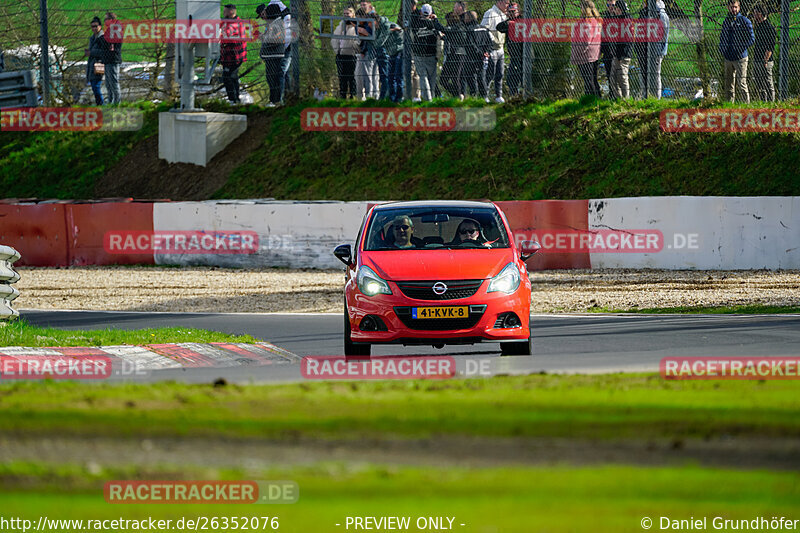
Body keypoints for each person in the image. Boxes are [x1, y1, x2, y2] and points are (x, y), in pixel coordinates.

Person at [719, 0, 754, 103]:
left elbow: (751, 39)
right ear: (728, 7)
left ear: (739, 7)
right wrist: (722, 50)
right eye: (731, 7)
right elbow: (723, 37)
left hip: (740, 58)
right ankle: (729, 105)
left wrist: (740, 49)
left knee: (742, 83)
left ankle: (746, 106)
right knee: (729, 83)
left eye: (735, 7)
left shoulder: (745, 21)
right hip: (728, 57)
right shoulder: (726, 21)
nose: (733, 9)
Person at [257, 2, 291, 106]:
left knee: (274, 79)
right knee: (271, 78)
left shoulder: (277, 23)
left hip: (275, 55)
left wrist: (263, 38)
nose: (265, 15)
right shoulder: (273, 23)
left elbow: (278, 38)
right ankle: (273, 100)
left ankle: (275, 100)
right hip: (270, 55)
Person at [634, 0, 669, 99]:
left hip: (656, 50)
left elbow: (663, 33)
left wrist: (656, 45)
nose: (643, 3)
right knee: (643, 75)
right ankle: (645, 97)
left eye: (645, 1)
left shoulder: (661, 14)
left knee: (655, 75)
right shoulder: (643, 13)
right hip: (642, 49)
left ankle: (656, 99)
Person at [410, 4, 445, 101]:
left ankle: (427, 99)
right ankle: (432, 98)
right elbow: (441, 36)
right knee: (432, 79)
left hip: (419, 54)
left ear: (421, 12)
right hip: (432, 54)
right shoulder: (434, 25)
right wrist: (438, 55)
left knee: (423, 77)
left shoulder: (415, 23)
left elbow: (411, 36)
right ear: (431, 14)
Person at [571, 0, 602, 97]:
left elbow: (586, 41)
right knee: (593, 79)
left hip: (585, 55)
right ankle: (597, 99)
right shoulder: (596, 21)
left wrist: (577, 53)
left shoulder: (586, 22)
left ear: (585, 8)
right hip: (594, 54)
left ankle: (590, 100)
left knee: (588, 80)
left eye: (581, 7)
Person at [481, 0, 508, 103]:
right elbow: (484, 29)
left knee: (500, 73)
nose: (507, 6)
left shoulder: (504, 15)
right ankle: (485, 95)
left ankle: (498, 96)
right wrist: (491, 40)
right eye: (506, 3)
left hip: (501, 48)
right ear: (500, 2)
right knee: (489, 74)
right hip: (492, 49)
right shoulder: (490, 13)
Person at [220, 4, 248, 104]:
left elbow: (235, 40)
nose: (223, 14)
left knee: (228, 77)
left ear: (231, 12)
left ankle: (233, 99)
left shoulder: (237, 24)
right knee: (233, 76)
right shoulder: (227, 22)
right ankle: (236, 99)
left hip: (235, 56)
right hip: (228, 56)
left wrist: (222, 37)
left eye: (225, 12)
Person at [331, 7, 360, 99]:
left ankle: (353, 95)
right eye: (344, 14)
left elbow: (357, 40)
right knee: (342, 76)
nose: (346, 16)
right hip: (341, 54)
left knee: (352, 76)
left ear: (353, 14)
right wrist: (337, 50)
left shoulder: (356, 25)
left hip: (351, 55)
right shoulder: (341, 25)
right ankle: (342, 95)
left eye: (348, 14)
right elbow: (334, 38)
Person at [463, 10, 493, 99]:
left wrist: (480, 53)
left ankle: (473, 95)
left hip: (472, 57)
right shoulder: (484, 28)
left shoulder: (469, 29)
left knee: (471, 76)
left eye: (465, 17)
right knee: (481, 77)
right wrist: (487, 52)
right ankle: (484, 96)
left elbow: (471, 43)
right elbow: (490, 42)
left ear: (469, 18)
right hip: (483, 57)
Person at [496, 3, 522, 98]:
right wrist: (509, 22)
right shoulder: (509, 22)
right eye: (509, 12)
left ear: (518, 11)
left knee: (524, 77)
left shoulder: (524, 20)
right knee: (512, 79)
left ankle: (525, 96)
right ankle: (514, 97)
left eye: (513, 11)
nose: (511, 14)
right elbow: (499, 27)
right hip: (514, 56)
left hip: (524, 55)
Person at [750, 4, 775, 101]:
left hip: (765, 61)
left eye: (756, 13)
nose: (754, 15)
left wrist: (765, 60)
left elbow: (770, 47)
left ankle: (771, 103)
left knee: (768, 83)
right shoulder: (759, 27)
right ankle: (763, 102)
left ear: (761, 14)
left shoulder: (769, 28)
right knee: (759, 84)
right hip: (757, 59)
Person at [609, 0, 632, 99]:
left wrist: (621, 56)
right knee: (613, 79)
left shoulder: (626, 20)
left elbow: (627, 40)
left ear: (621, 9)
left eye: (617, 9)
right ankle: (619, 99)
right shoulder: (617, 20)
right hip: (616, 54)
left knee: (622, 78)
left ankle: (626, 99)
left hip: (623, 55)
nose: (615, 11)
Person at [102, 12, 122, 105]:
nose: (105, 21)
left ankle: (117, 102)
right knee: (108, 83)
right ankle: (110, 101)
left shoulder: (116, 29)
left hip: (113, 59)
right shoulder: (110, 29)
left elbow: (113, 43)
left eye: (106, 19)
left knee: (114, 82)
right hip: (108, 59)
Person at [85, 16, 106, 105]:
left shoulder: (102, 38)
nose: (94, 28)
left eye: (95, 26)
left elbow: (104, 52)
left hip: (99, 64)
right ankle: (99, 104)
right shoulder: (92, 38)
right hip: (92, 65)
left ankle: (101, 104)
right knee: (94, 87)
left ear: (100, 26)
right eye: (92, 26)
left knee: (96, 86)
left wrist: (91, 52)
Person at [385, 20, 405, 102]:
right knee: (390, 77)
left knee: (398, 77)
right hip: (391, 54)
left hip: (398, 54)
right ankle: (392, 98)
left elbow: (400, 43)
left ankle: (399, 98)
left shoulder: (397, 30)